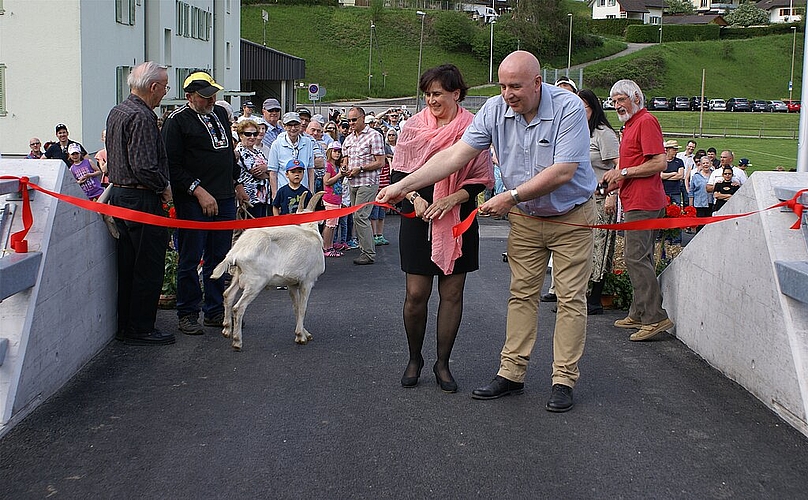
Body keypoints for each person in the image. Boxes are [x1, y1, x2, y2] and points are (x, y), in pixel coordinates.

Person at [378, 51, 596, 412]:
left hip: (570, 216)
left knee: (570, 300)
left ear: (538, 83)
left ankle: (563, 380)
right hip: (527, 217)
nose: (508, 94)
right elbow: (453, 157)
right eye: (503, 85)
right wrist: (405, 186)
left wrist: (510, 196)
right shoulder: (494, 111)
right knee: (521, 296)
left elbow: (563, 171)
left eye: (516, 86)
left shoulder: (568, 108)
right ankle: (512, 373)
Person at [388, 64, 493, 393]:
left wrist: (453, 200)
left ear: (456, 93)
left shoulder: (473, 129)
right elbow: (397, 177)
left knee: (452, 295)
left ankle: (442, 363)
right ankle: (414, 357)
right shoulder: (411, 127)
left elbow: (481, 180)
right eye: (427, 94)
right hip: (417, 217)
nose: (430, 99)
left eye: (437, 93)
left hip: (458, 218)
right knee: (416, 295)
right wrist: (416, 198)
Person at [162, 70, 249, 336]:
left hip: (223, 197)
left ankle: (214, 311)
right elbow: (172, 166)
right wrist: (198, 191)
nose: (211, 100)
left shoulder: (220, 114)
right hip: (192, 201)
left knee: (220, 258)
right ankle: (188, 312)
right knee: (190, 257)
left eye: (213, 95)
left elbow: (228, 157)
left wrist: (236, 183)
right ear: (189, 96)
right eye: (205, 96)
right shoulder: (176, 122)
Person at [105, 61, 175, 346]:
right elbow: (144, 166)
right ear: (154, 87)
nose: (164, 94)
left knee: (128, 264)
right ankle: (142, 326)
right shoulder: (143, 117)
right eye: (165, 87)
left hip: (120, 195)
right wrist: (165, 187)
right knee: (148, 264)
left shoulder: (118, 110)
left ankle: (127, 325)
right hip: (141, 197)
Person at [602, 79, 674, 342]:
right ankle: (639, 311)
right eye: (614, 101)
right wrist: (617, 182)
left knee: (635, 258)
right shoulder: (631, 124)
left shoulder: (645, 122)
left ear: (636, 98)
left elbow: (659, 162)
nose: (617, 105)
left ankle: (654, 317)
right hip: (637, 200)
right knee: (640, 257)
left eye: (621, 99)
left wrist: (622, 172)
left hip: (644, 202)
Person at [578, 89, 620, 316]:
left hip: (602, 195)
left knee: (600, 246)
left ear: (593, 108)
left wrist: (612, 194)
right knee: (582, 246)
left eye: (582, 107)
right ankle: (580, 294)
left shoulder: (603, 134)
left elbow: (619, 164)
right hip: (581, 197)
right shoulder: (578, 131)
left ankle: (595, 297)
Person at [342, 106, 386, 266]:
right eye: (349, 120)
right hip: (352, 182)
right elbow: (345, 160)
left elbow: (380, 162)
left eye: (354, 120)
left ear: (363, 118)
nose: (351, 123)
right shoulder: (348, 138)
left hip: (367, 182)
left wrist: (360, 168)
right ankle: (365, 248)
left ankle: (368, 253)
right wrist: (344, 168)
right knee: (356, 216)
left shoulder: (374, 136)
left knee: (360, 216)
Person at [267, 112, 317, 200]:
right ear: (284, 126)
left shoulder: (308, 143)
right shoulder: (277, 144)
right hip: (284, 192)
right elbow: (273, 172)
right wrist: (275, 195)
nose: (293, 128)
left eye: (296, 125)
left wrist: (311, 191)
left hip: (303, 192)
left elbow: (310, 169)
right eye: (289, 125)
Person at [235, 120, 270, 218]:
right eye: (248, 134)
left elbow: (270, 169)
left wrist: (267, 169)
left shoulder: (258, 152)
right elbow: (257, 173)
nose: (252, 137)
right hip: (249, 197)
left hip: (262, 197)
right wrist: (269, 172)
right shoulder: (241, 151)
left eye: (255, 134)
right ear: (241, 135)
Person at [322, 142, 346, 257]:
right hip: (330, 198)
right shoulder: (328, 165)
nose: (337, 153)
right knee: (330, 224)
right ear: (330, 151)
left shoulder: (336, 166)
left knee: (334, 224)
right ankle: (326, 247)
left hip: (336, 198)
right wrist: (339, 175)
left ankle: (330, 246)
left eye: (339, 151)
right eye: (335, 151)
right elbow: (326, 181)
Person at [688, 156, 714, 231]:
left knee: (709, 226)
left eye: (707, 163)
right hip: (699, 204)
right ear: (701, 165)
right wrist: (690, 206)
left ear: (710, 164)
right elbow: (691, 191)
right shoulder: (696, 176)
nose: (706, 165)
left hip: (711, 203)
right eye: (704, 163)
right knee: (700, 226)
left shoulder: (714, 175)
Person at [661, 140, 685, 206]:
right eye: (674, 149)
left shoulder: (679, 161)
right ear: (668, 149)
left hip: (676, 192)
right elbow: (661, 176)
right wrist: (673, 173)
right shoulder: (662, 161)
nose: (676, 151)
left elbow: (680, 175)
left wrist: (666, 177)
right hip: (664, 191)